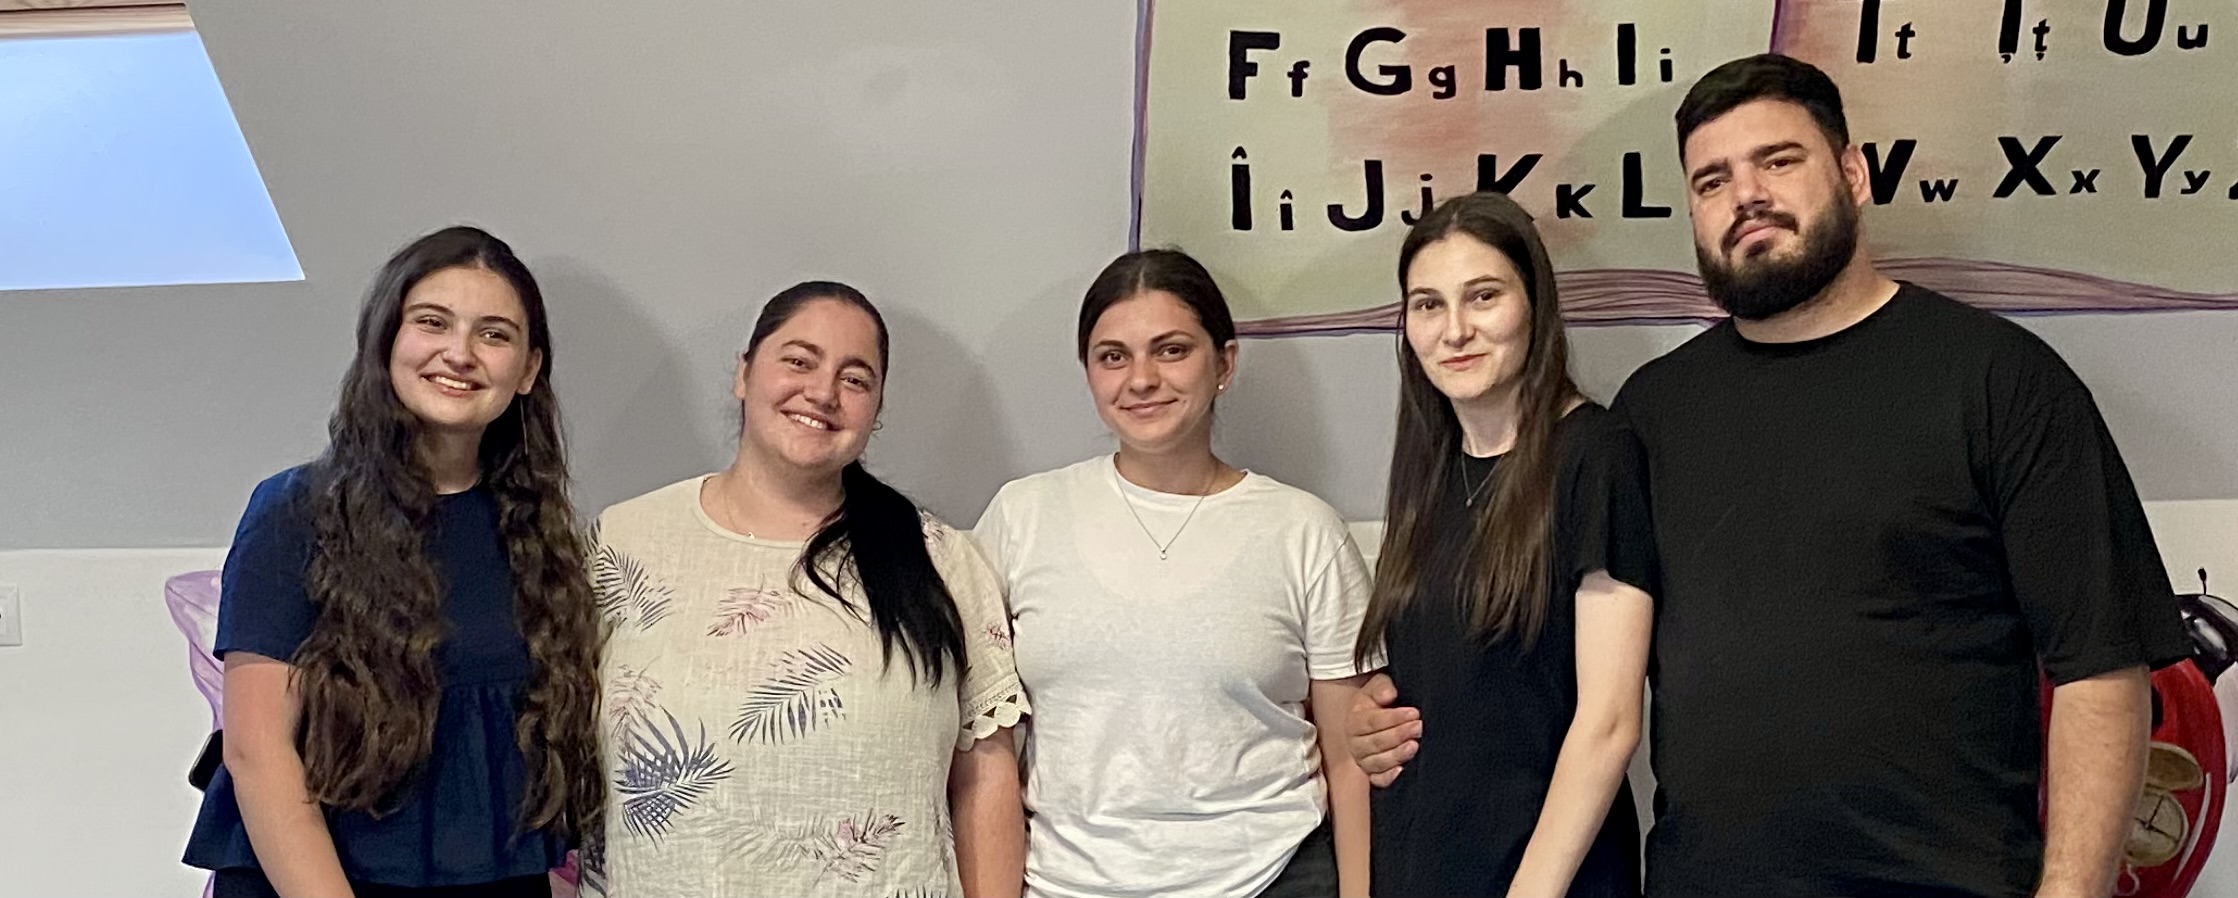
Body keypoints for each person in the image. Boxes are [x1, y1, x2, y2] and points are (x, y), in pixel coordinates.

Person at [1350, 54, 2190, 898]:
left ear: (1852, 174)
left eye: (1777, 161)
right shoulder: (1648, 415)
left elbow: (2099, 670)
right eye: (1711, 181)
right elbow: (1542, 662)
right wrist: (1383, 714)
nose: (1745, 195)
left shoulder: (1998, 381)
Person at [183, 226, 604, 898]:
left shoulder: (540, 533)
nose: (459, 353)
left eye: (493, 334)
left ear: (528, 370)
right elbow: (257, 754)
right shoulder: (296, 511)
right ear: (385, 341)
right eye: (432, 322)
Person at [583, 282, 1027, 898]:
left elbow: (984, 778)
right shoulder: (624, 543)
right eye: (799, 361)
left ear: (877, 409)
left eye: (855, 378)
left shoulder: (940, 560)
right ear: (743, 373)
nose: (822, 392)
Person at [974, 249, 1376, 898]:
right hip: (1067, 883)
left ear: (1224, 364)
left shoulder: (1304, 531)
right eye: (1113, 356)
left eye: (1171, 350)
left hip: (1271, 877)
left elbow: (1349, 755)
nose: (1141, 379)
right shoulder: (1021, 517)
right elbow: (979, 745)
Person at [1358, 192, 1655, 898]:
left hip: (1546, 877)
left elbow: (1609, 722)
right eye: (1428, 305)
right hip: (1423, 862)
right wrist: (1369, 718)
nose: (1454, 330)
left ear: (1534, 305)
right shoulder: (1430, 468)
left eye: (1483, 296)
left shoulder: (1596, 455)